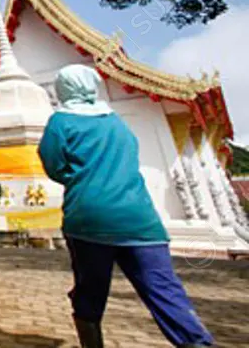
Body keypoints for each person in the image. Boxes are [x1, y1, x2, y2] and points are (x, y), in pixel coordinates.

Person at [38, 64, 213, 348]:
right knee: (165, 291)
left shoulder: (60, 122)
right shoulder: (115, 121)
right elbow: (130, 156)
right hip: (140, 220)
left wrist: (81, 179)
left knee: (90, 292)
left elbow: (53, 165)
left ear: (62, 89)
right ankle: (197, 342)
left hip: (89, 218)